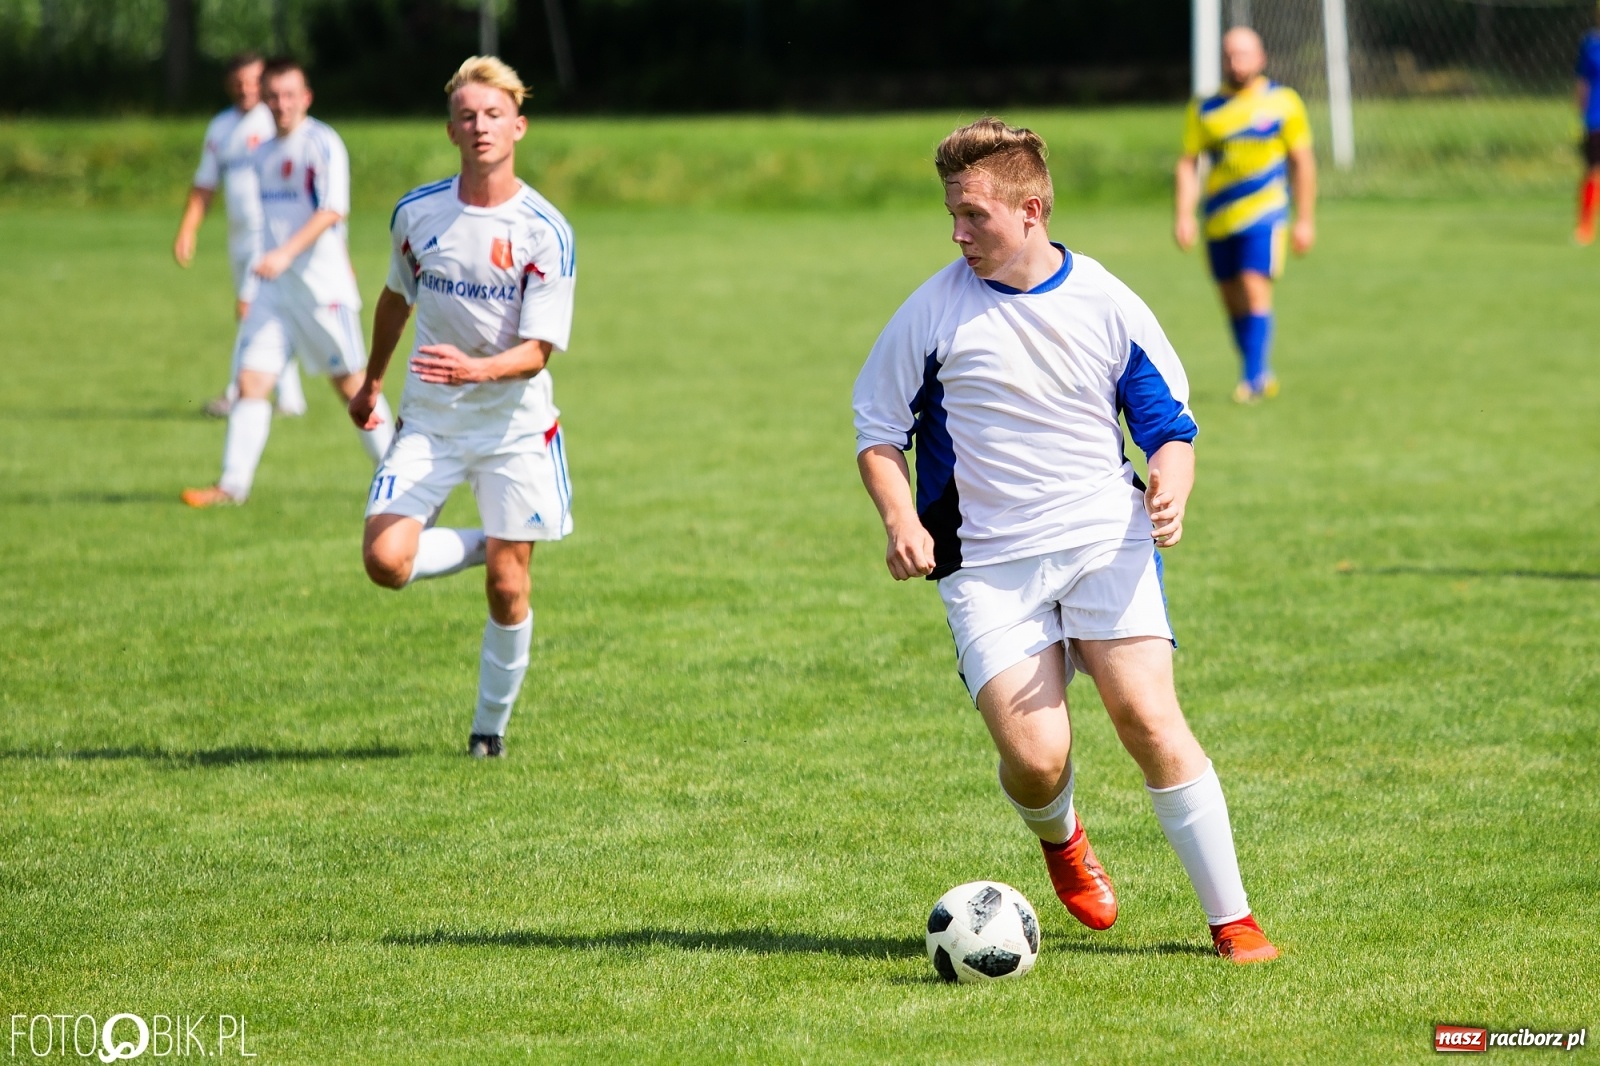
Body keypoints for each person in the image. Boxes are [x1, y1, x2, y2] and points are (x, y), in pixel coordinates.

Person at [853, 117, 1278, 963]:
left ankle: (1233, 922)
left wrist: (1173, 482)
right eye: (952, 213)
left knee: (1149, 718)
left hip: (1102, 541)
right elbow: (878, 433)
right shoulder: (931, 313)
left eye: (973, 215)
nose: (957, 232)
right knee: (1038, 760)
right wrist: (901, 519)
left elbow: (1169, 427)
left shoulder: (1107, 303)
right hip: (987, 566)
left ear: (1032, 210)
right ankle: (1062, 836)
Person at [350, 56, 577, 760]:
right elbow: (395, 299)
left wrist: (476, 368)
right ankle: (492, 541)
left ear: (519, 127)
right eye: (468, 116)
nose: (481, 126)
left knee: (509, 589)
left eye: (494, 115)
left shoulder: (545, 229)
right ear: (451, 130)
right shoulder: (418, 214)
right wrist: (370, 381)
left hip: (514, 429)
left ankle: (488, 731)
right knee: (386, 561)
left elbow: (538, 351)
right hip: (432, 421)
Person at [182, 58, 394, 508]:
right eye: (273, 96)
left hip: (320, 290)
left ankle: (399, 478)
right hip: (274, 293)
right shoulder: (261, 153)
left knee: (353, 387)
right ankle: (231, 487)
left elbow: (332, 211)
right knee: (251, 382)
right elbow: (270, 224)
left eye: (289, 95)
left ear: (306, 98)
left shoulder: (322, 143)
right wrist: (255, 282)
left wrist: (285, 254)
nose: (281, 104)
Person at [1174, 27, 1316, 404]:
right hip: (1219, 218)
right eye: (1230, 55)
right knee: (1231, 298)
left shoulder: (1283, 102)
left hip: (1266, 215)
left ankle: (1251, 379)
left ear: (1261, 58)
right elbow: (1188, 163)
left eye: (1244, 54)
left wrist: (1305, 219)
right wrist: (1184, 214)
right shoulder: (1205, 109)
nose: (1237, 63)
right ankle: (1259, 370)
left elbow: (1302, 162)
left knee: (1254, 287)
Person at [172, 51, 307, 419]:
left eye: (252, 82)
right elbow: (205, 184)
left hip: (271, 236)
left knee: (250, 309)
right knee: (269, 312)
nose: (246, 89)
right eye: (238, 82)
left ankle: (236, 392)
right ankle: (291, 398)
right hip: (239, 237)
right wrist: (188, 229)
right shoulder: (221, 127)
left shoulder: (276, 121)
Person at [1573, 9, 1600, 245]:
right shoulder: (1590, 43)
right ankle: (1585, 226)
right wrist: (1581, 110)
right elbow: (1582, 80)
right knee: (1592, 169)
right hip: (1595, 117)